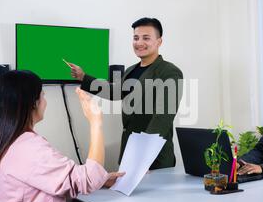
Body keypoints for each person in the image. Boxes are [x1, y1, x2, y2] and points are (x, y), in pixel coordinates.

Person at [0, 70, 124, 202]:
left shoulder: (12, 142)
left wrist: (103, 178)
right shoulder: (28, 148)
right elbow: (87, 179)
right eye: (43, 95)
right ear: (33, 103)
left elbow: (61, 178)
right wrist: (96, 122)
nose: (45, 101)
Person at [68, 17, 183, 170]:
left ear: (159, 41)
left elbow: (163, 118)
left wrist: (142, 154)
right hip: (129, 152)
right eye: (136, 38)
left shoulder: (169, 72)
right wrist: (84, 77)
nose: (139, 43)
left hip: (153, 157)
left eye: (146, 38)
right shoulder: (131, 70)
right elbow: (114, 92)